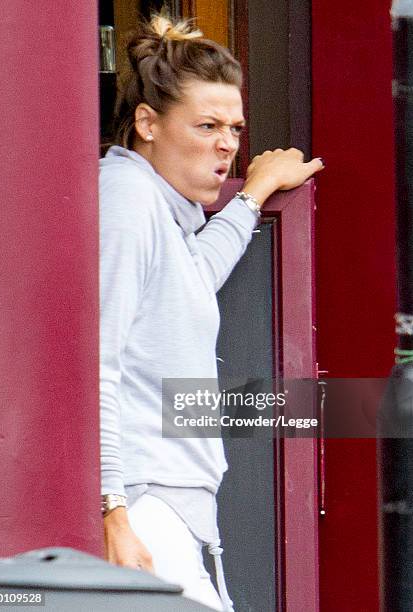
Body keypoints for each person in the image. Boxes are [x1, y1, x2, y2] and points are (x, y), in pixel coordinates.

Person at [99, 13, 323, 612]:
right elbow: (95, 362)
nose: (228, 143)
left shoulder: (159, 211)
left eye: (234, 127)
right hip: (144, 508)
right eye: (206, 125)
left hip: (171, 507)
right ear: (147, 123)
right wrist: (111, 511)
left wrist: (253, 193)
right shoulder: (126, 199)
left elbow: (197, 275)